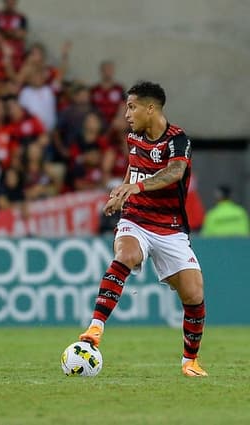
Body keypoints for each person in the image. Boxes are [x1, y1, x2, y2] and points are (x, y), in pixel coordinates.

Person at [78, 81, 208, 377]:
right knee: (126, 255)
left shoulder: (178, 140)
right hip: (135, 219)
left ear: (151, 109)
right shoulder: (133, 136)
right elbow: (134, 167)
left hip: (171, 228)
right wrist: (120, 193)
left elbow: (175, 174)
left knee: (194, 294)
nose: (127, 113)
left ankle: (190, 361)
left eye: (132, 107)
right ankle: (95, 328)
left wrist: (134, 186)